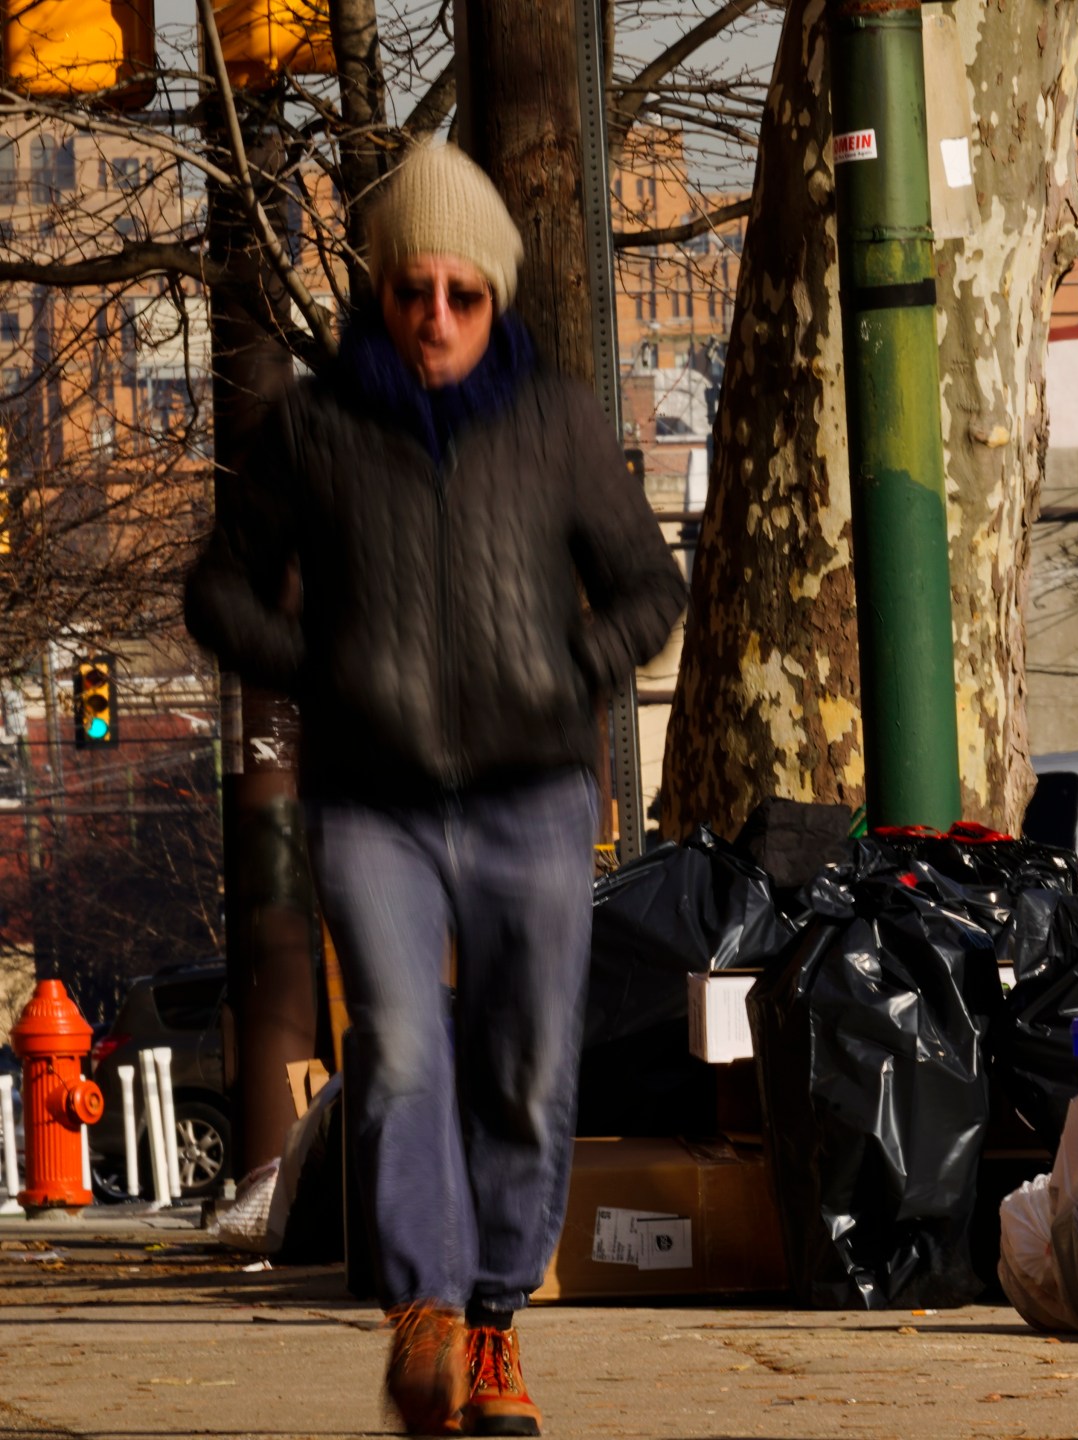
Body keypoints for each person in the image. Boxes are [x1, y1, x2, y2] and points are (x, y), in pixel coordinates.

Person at [185, 142, 687, 1437]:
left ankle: (496, 1322)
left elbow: (650, 590)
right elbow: (219, 591)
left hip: (532, 795)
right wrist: (318, 669)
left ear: (498, 295)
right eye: (415, 290)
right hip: (373, 801)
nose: (438, 320)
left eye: (465, 295)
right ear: (383, 291)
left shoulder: (561, 422)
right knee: (405, 1050)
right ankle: (423, 1314)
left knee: (525, 1063)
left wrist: (568, 660)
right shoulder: (313, 428)